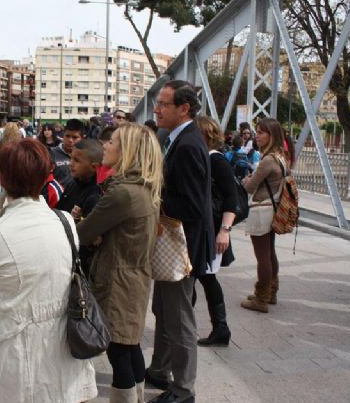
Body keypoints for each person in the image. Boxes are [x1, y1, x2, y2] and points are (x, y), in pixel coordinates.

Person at [0, 138, 98, 403]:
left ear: (1, 178)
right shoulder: (65, 222)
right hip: (61, 344)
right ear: (44, 176)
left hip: (10, 347)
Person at [77, 123, 162, 402]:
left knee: (118, 352)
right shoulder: (142, 187)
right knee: (129, 346)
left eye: (111, 142)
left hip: (117, 280)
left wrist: (83, 226)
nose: (105, 145)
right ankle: (137, 397)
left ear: (127, 151)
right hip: (133, 276)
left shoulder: (122, 193)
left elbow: (83, 233)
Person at [146, 80, 214, 403]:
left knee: (179, 318)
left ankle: (184, 388)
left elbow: (192, 206)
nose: (156, 110)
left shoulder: (187, 145)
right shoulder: (178, 139)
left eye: (163, 104)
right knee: (163, 309)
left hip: (180, 250)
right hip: (172, 246)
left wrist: (153, 200)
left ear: (184, 108)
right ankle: (160, 369)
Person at [194, 116, 237, 347]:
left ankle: (220, 328)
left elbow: (231, 198)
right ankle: (219, 328)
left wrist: (225, 231)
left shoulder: (216, 161)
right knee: (203, 278)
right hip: (204, 229)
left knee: (206, 278)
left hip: (212, 231)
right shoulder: (201, 158)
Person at [241, 118, 288, 313]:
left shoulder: (268, 160)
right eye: (257, 132)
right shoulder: (280, 156)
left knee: (263, 257)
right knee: (270, 253)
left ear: (271, 135)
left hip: (262, 209)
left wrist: (246, 180)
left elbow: (250, 186)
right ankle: (270, 292)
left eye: (261, 132)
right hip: (273, 208)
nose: (256, 136)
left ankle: (261, 298)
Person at [58, 139, 103, 277]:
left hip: (80, 264)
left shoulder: (95, 195)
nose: (71, 164)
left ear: (94, 167)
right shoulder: (73, 183)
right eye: (71, 158)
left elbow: (91, 240)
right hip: (63, 253)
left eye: (77, 160)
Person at [50, 118, 85, 187]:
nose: (70, 140)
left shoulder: (86, 157)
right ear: (63, 135)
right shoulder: (51, 153)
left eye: (75, 137)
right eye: (67, 136)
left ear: (82, 139)